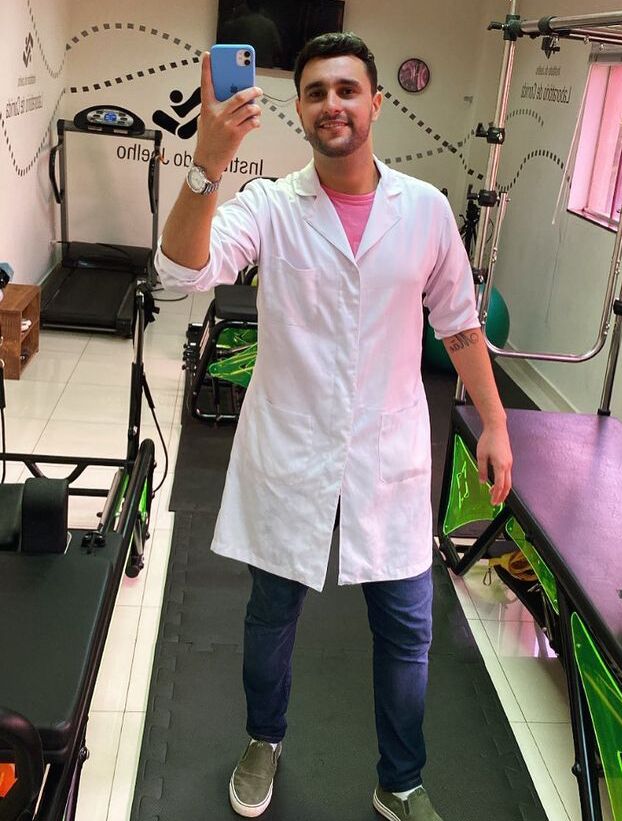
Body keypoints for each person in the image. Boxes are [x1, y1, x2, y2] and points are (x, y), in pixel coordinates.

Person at [156, 32, 513, 821]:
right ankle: (264, 738)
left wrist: (493, 420)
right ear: (301, 108)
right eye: (316, 92)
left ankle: (400, 781)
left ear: (375, 103)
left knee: (407, 629)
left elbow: (459, 324)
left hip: (388, 452)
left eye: (347, 90)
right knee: (271, 613)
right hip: (291, 447)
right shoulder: (270, 206)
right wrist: (207, 161)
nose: (332, 105)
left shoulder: (423, 210)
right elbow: (182, 269)